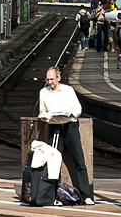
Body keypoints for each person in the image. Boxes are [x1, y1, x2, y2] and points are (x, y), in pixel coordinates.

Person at [38, 66, 94, 205]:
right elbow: (42, 111)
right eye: (47, 79)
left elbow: (77, 109)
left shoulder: (68, 90)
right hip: (55, 127)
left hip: (69, 126)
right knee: (53, 162)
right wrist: (45, 117)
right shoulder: (43, 92)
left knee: (79, 160)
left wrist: (69, 113)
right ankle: (55, 195)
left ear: (59, 78)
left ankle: (85, 195)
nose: (49, 82)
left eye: (52, 79)